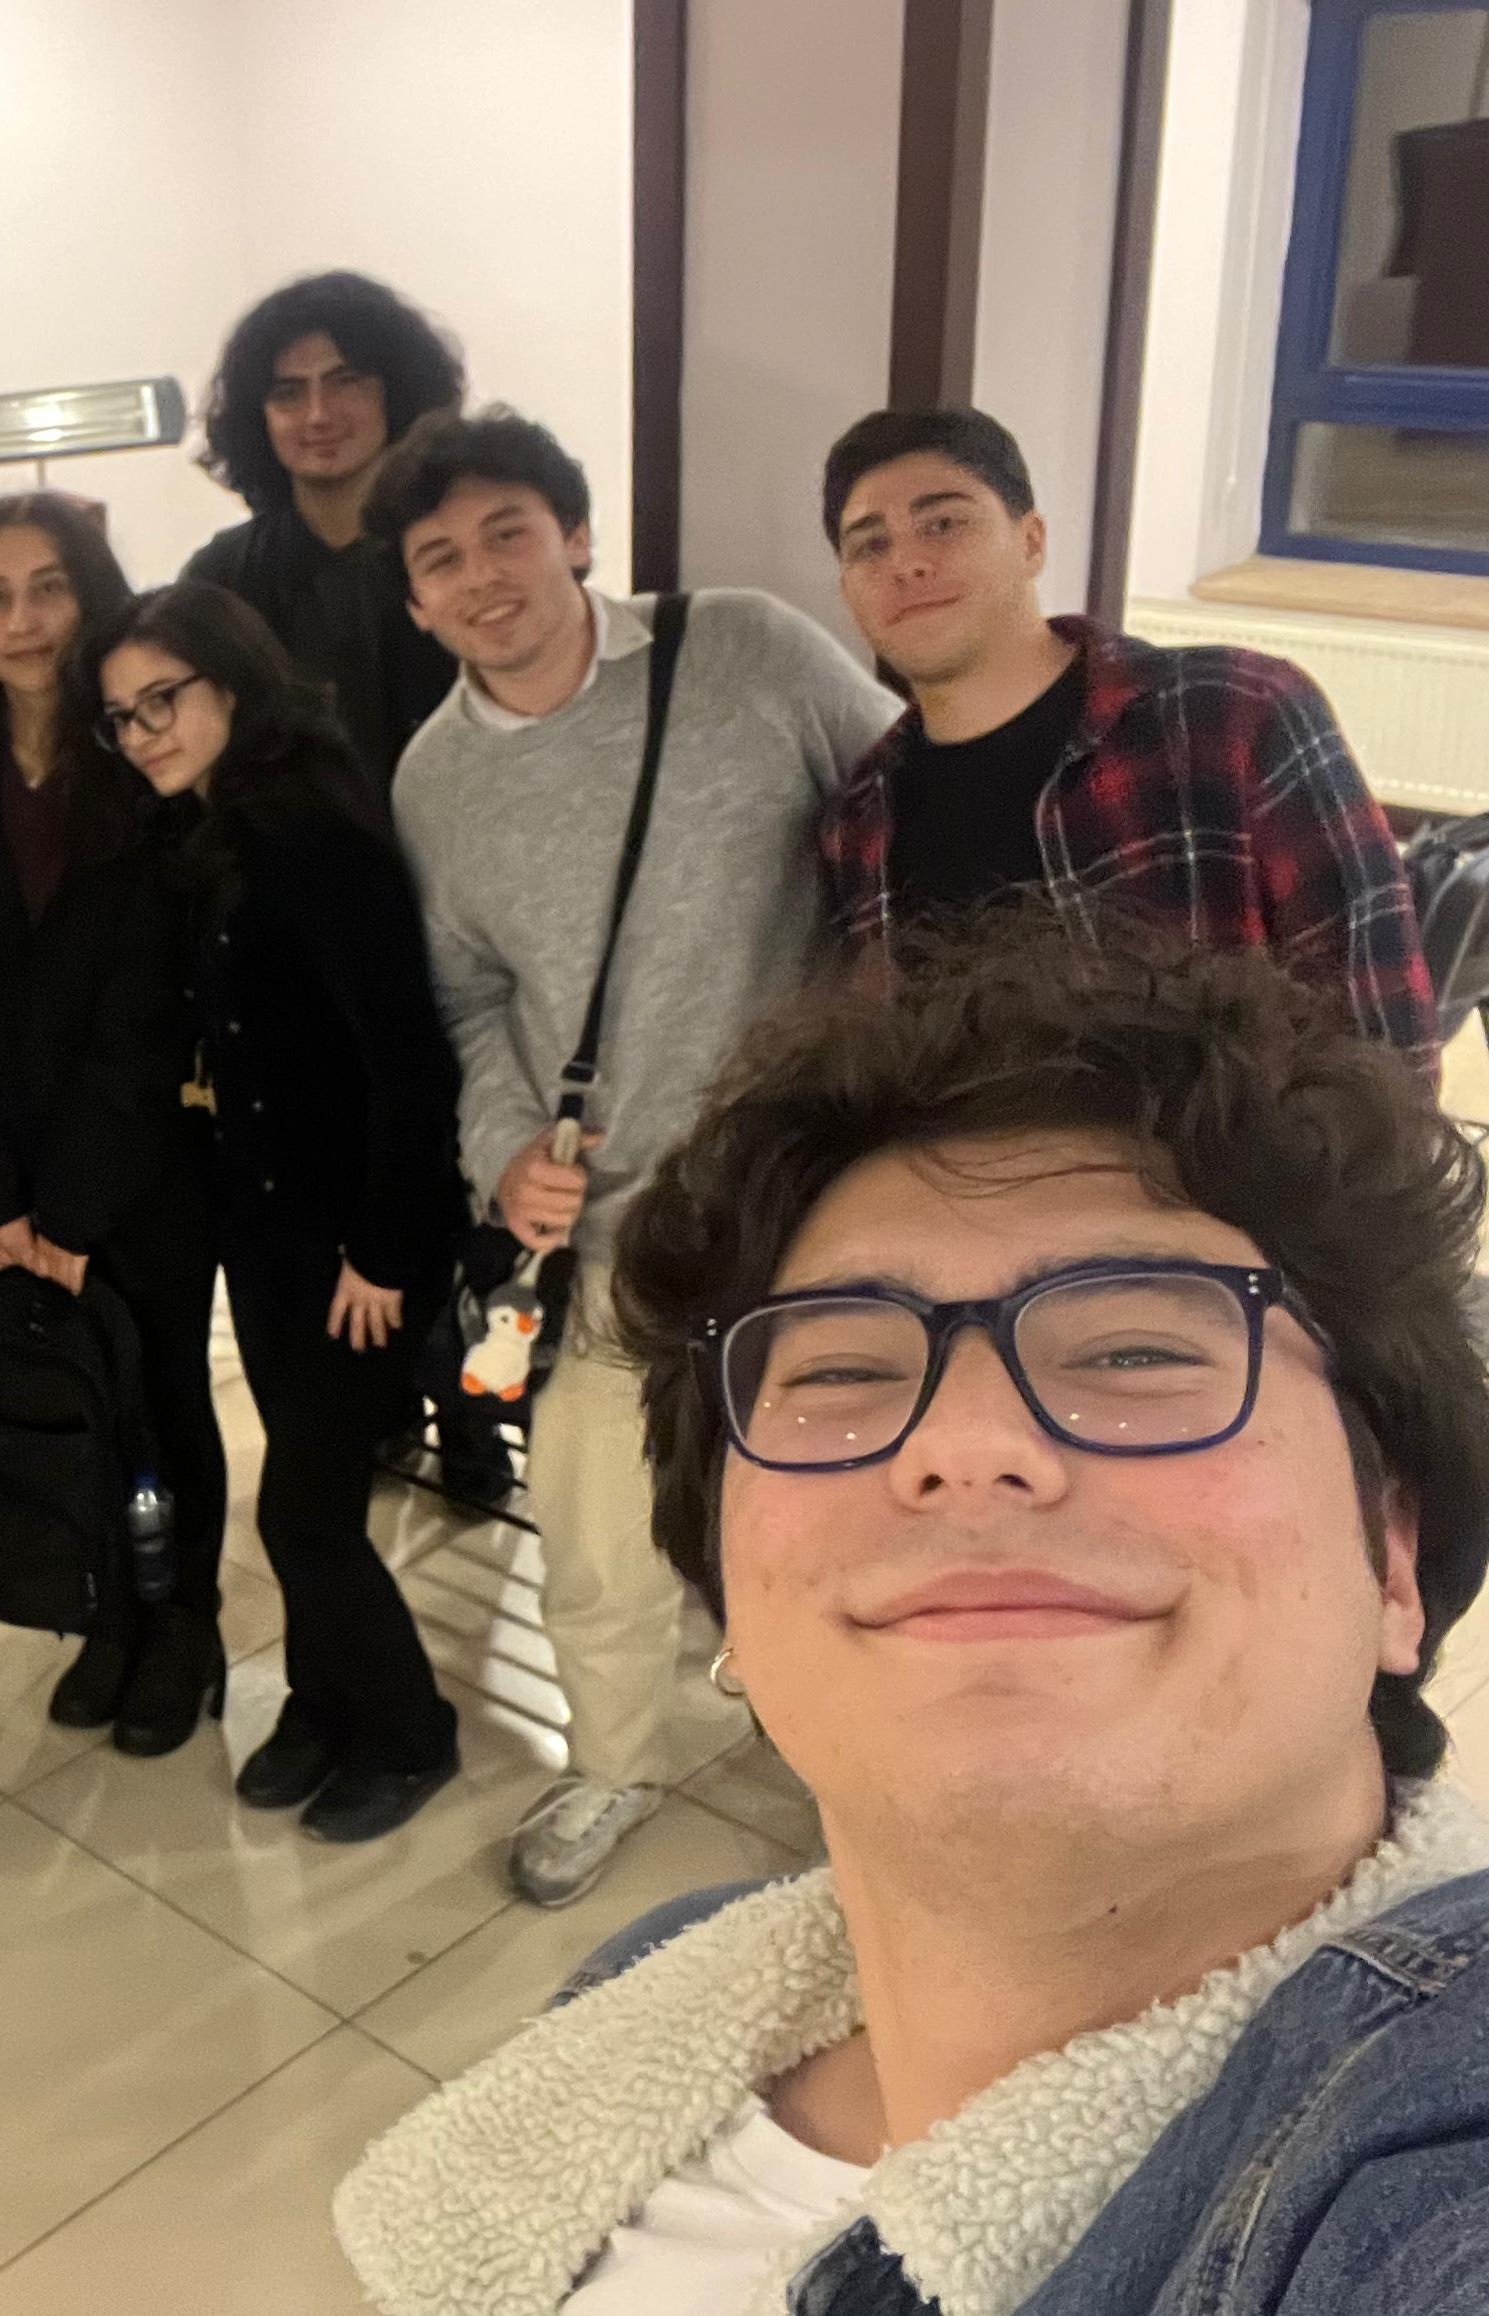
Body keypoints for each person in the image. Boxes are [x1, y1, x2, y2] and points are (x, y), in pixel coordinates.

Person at [338, 916, 1489, 2316]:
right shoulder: (647, 1977)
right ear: (731, 1593)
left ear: (1392, 1559)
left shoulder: (1435, 2170)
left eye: (1137, 1348)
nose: (966, 1444)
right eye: (843, 1373)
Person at [371, 407, 899, 1906]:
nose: (482, 576)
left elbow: (905, 817)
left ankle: (856, 1749)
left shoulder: (743, 650)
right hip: (615, 1218)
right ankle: (609, 1764)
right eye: (441, 559)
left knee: (836, 1494)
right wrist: (499, 1150)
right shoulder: (433, 780)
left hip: (814, 1190)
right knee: (598, 1522)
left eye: (508, 533)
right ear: (415, 603)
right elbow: (467, 999)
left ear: (577, 535)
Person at [96, 583, 464, 1843]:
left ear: (234, 683)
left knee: (301, 1512)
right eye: (121, 716)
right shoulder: (212, 830)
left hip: (353, 1242)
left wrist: (384, 1251)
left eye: (163, 699)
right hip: (265, 1230)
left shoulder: (314, 837)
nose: (142, 733)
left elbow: (407, 1065)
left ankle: (410, 1731)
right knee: (316, 1500)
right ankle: (322, 1702)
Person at [819, 404, 1437, 1073]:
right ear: (848, 590)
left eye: (943, 523)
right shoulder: (862, 821)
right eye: (869, 545)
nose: (907, 563)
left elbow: (1383, 1041)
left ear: (1031, 541)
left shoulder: (1232, 714)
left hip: (1229, 1142)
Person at [0, 494, 227, 1755]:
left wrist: (76, 1208)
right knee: (68, 1401)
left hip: (140, 1164)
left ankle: (182, 1623)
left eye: (49, 587)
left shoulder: (147, 760)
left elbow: (149, 1009)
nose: (23, 618)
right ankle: (106, 1612)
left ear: (92, 597)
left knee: (163, 1399)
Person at [185, 271, 466, 791]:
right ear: (259, 417)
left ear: (395, 394)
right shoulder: (221, 580)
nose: (318, 415)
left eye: (346, 381)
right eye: (288, 393)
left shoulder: (455, 556)